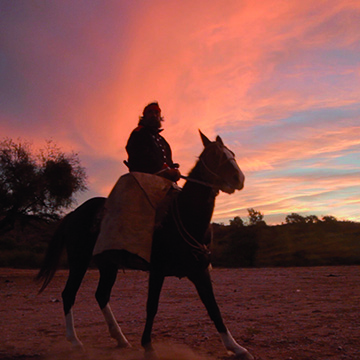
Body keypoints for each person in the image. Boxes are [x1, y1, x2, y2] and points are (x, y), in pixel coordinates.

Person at [125, 102, 181, 182]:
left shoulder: (163, 141)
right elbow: (140, 155)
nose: (154, 115)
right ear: (144, 116)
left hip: (164, 183)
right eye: (150, 112)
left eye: (156, 112)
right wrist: (164, 168)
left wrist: (174, 171)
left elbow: (169, 162)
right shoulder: (138, 133)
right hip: (143, 181)